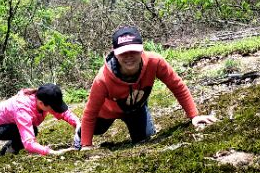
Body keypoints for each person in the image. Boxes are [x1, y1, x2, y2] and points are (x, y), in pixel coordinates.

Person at [75, 26, 216, 149]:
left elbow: (177, 86)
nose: (129, 56)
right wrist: (87, 145)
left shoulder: (155, 62)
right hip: (106, 112)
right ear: (115, 53)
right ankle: (79, 135)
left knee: (144, 140)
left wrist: (194, 116)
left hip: (136, 109)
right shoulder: (103, 79)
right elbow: (90, 112)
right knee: (95, 131)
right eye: (123, 52)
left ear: (141, 49)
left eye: (134, 51)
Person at [0, 84, 80, 156]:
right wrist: (52, 152)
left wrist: (78, 124)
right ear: (41, 103)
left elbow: (63, 113)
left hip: (11, 121)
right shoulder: (23, 109)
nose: (55, 110)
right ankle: (7, 153)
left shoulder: (43, 98)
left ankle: (10, 147)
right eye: (53, 108)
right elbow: (29, 143)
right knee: (30, 132)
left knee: (31, 130)